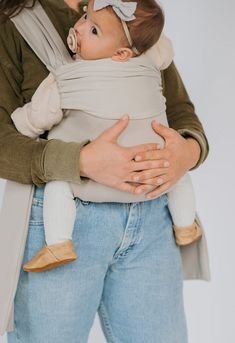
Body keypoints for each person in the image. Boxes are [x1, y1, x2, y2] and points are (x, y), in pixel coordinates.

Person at [0, 0, 210, 341]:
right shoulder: (13, 22)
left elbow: (181, 111)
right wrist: (81, 161)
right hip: (61, 222)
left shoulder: (131, 10)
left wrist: (186, 152)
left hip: (152, 216)